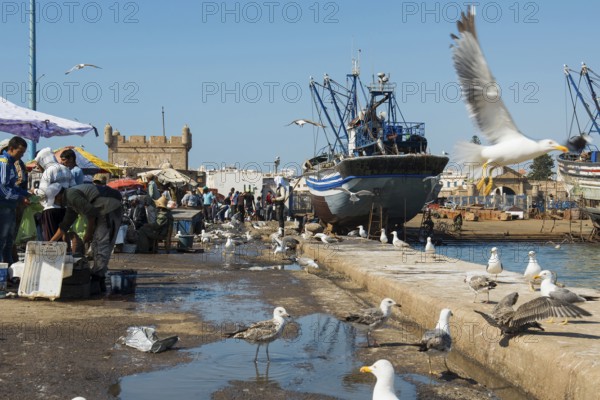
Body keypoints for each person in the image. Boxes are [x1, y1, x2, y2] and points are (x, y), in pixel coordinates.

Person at [50, 183, 123, 292]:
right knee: (97, 245)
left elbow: (91, 213)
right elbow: (65, 224)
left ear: (58, 196)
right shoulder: (70, 201)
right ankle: (99, 278)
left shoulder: (71, 195)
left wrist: (88, 233)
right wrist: (50, 242)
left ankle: (97, 278)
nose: (55, 203)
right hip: (103, 209)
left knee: (101, 243)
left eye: (54, 201)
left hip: (110, 207)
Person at [0, 137, 30, 265]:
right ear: (11, 149)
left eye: (23, 153)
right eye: (20, 152)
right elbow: (2, 189)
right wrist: (20, 197)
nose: (21, 156)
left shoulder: (12, 163)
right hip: (3, 207)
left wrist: (27, 193)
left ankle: (9, 271)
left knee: (9, 241)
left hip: (10, 207)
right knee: (2, 240)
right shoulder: (4, 162)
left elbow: (13, 186)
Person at [33, 148, 73, 241]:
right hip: (64, 208)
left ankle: (54, 256)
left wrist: (34, 191)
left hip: (50, 209)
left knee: (51, 239)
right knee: (61, 236)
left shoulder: (48, 171)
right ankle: (66, 255)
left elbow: (42, 193)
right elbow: (73, 188)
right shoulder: (66, 169)